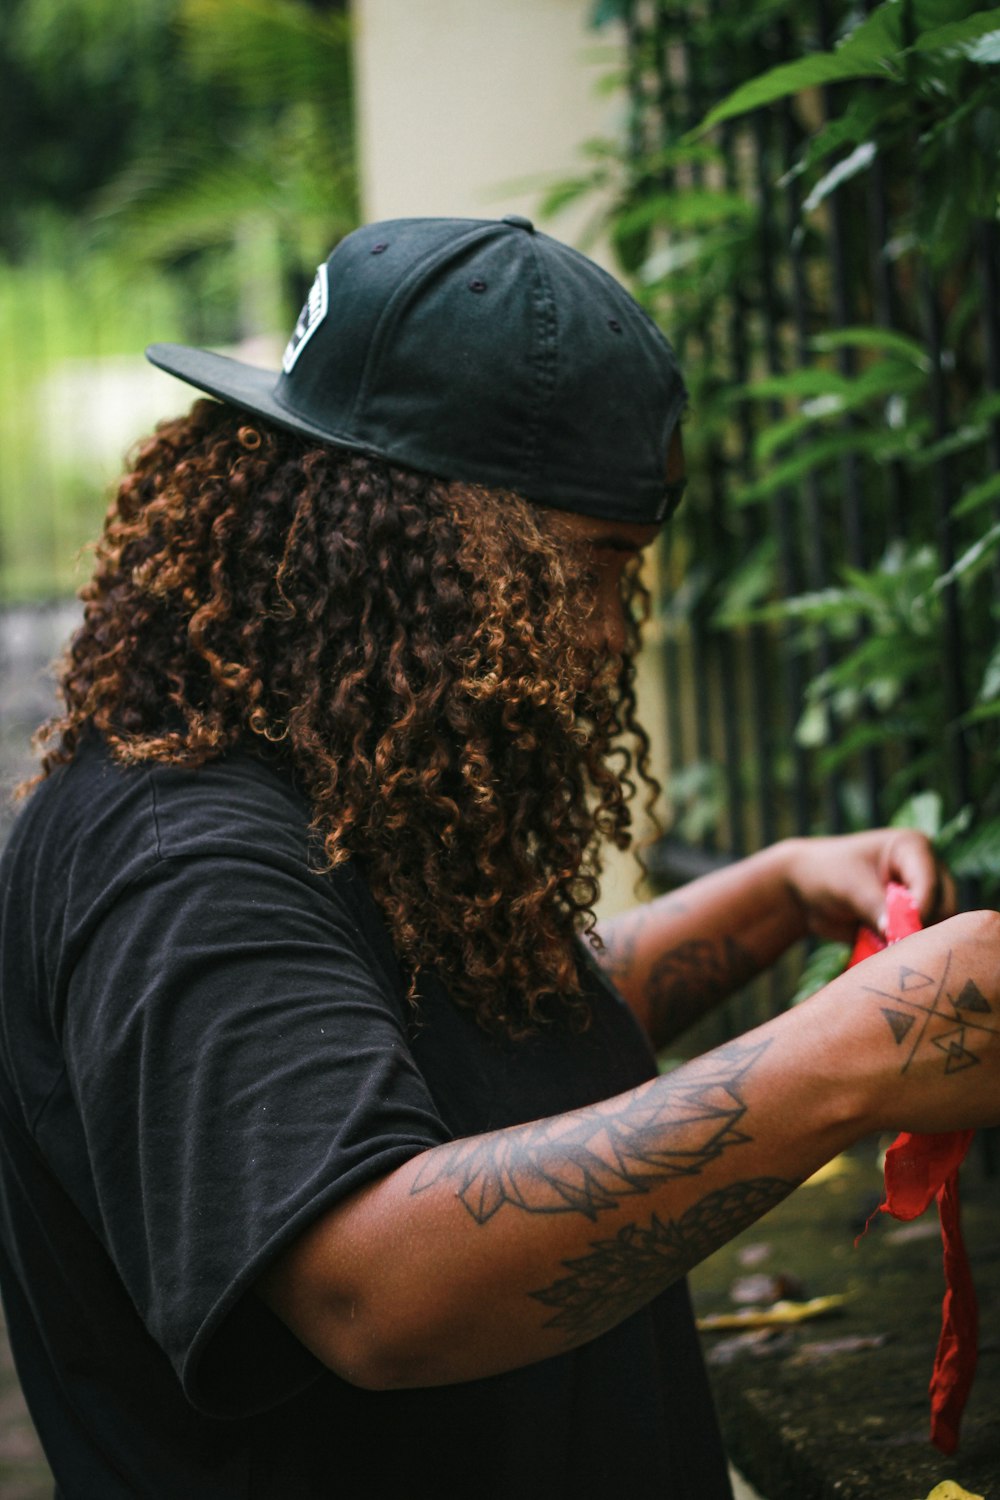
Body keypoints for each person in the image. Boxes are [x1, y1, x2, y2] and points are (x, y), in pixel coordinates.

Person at [0, 214, 998, 1500]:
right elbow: (379, 1287)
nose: (601, 634)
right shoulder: (175, 857)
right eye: (587, 570)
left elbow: (456, 1051)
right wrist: (851, 1059)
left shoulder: (319, 765)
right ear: (404, 541)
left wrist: (771, 896)